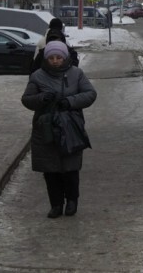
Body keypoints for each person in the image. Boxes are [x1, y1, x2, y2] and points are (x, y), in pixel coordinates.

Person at [21, 40, 97, 218]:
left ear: (65, 58)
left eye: (59, 57)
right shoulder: (38, 76)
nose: (55, 61)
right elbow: (26, 99)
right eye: (51, 57)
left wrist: (69, 102)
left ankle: (72, 201)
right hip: (45, 129)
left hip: (70, 127)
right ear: (46, 59)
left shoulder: (76, 74)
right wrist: (41, 98)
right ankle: (56, 204)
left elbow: (90, 94)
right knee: (51, 171)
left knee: (70, 169)